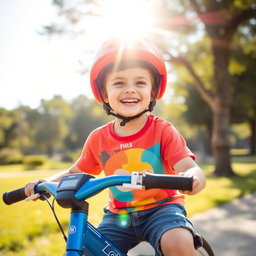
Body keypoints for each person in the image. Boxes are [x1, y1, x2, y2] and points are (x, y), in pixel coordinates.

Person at [25, 37, 206, 256]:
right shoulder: (98, 139)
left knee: (177, 243)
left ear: (152, 92)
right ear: (104, 94)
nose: (130, 90)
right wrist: (46, 183)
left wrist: (192, 177)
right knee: (86, 249)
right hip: (117, 216)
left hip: (163, 209)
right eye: (119, 83)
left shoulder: (163, 130)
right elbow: (75, 172)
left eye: (140, 83)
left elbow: (188, 165)